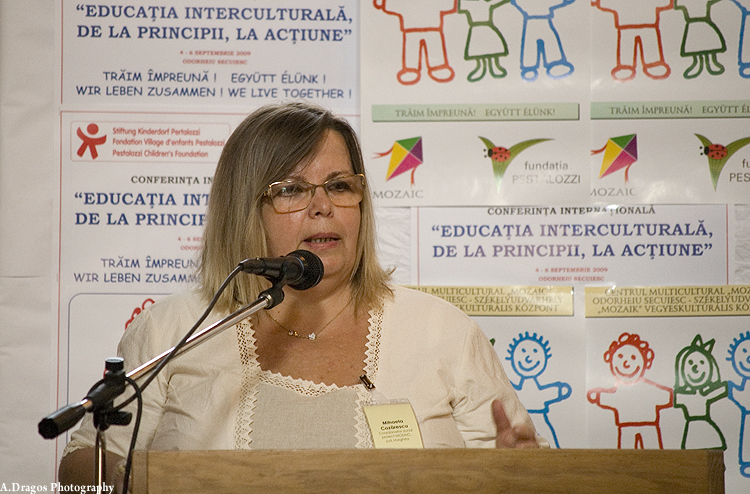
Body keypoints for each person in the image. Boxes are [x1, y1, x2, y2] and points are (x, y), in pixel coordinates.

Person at [59, 101, 547, 490]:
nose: (322, 206)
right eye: (291, 190)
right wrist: (140, 482)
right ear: (244, 208)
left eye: (339, 185)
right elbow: (81, 465)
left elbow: (520, 467)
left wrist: (521, 475)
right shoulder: (177, 329)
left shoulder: (442, 331)